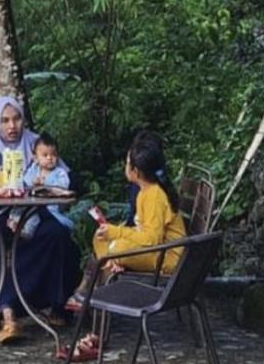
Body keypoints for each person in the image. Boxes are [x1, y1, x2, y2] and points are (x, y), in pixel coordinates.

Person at [0, 96, 81, 344]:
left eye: (16, 119)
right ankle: (8, 315)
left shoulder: (37, 145)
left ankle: (56, 304)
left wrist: (46, 184)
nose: (12, 126)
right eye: (5, 120)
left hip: (34, 213)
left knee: (57, 234)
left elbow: (65, 179)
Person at [65, 132, 187, 328]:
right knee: (101, 238)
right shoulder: (144, 192)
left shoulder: (154, 196)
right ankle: (109, 267)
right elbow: (141, 229)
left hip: (166, 257)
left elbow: (152, 239)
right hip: (155, 249)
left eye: (127, 163)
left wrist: (118, 234)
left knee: (116, 247)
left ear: (136, 171)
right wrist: (114, 233)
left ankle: (95, 311)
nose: (125, 166)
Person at [17, 132, 72, 238]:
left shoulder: (60, 173)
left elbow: (63, 187)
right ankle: (15, 222)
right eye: (45, 155)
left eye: (53, 155)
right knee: (22, 210)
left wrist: (47, 186)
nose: (50, 158)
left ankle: (28, 231)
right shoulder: (34, 169)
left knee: (35, 215)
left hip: (50, 208)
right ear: (36, 158)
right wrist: (33, 182)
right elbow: (26, 181)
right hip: (32, 205)